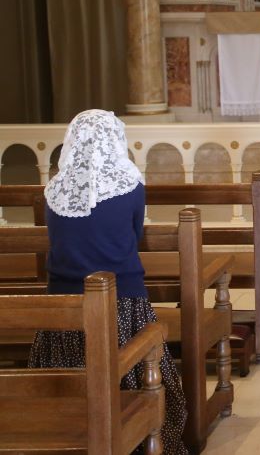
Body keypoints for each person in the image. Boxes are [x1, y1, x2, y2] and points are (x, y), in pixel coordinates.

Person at [29, 110, 188, 454]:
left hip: (63, 308)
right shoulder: (130, 184)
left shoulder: (55, 189)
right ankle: (142, 436)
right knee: (137, 367)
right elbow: (133, 238)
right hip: (124, 302)